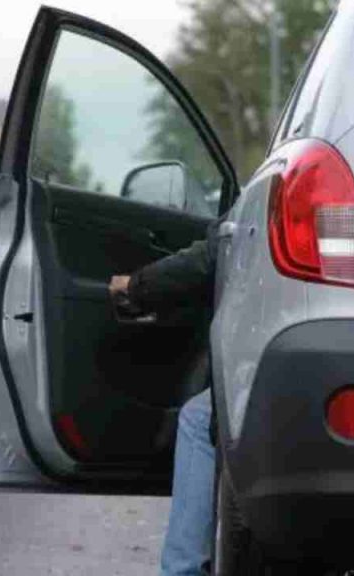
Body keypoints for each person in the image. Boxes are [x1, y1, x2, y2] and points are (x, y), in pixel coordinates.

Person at [109, 219, 221, 576]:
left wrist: (136, 286)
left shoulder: (297, 173)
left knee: (200, 419)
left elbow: (211, 254)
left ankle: (182, 570)